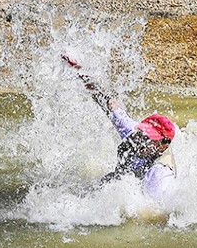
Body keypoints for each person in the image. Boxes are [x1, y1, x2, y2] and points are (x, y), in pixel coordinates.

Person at [61, 55, 176, 199]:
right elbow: (109, 103)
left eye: (149, 138)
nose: (141, 139)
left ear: (162, 146)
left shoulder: (160, 174)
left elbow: (152, 213)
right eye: (143, 133)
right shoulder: (133, 133)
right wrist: (80, 71)